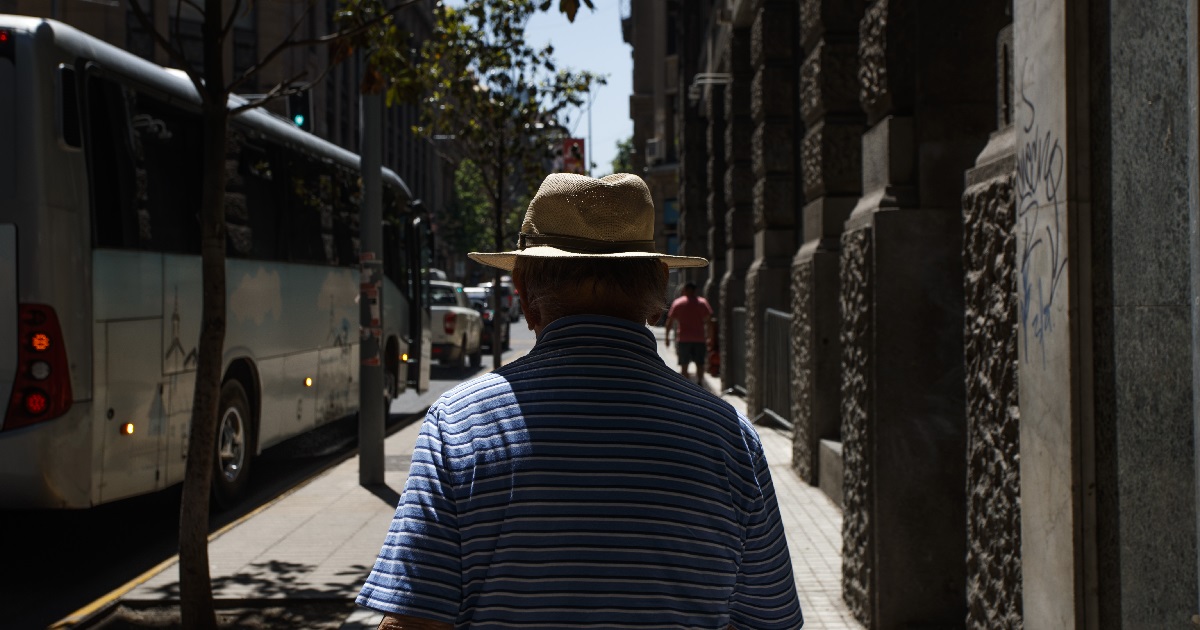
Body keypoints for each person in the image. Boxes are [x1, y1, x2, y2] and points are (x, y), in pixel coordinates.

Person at [356, 173, 804, 630]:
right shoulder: (729, 439)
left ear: (525, 295)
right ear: (659, 292)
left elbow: (413, 622)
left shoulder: (458, 427)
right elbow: (770, 621)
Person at [664, 281, 713, 383]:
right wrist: (710, 337)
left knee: (684, 364)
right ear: (695, 291)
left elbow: (669, 322)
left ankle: (686, 385)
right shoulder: (702, 303)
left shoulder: (678, 303)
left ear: (684, 290)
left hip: (683, 339)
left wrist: (667, 337)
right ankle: (700, 383)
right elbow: (709, 322)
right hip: (699, 339)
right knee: (700, 363)